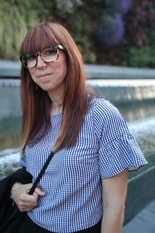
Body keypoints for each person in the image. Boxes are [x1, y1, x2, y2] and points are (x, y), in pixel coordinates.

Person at [11, 22, 147, 233]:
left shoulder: (101, 115)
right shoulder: (36, 115)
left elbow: (114, 206)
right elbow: (27, 172)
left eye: (50, 52)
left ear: (69, 56)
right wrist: (16, 190)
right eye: (31, 57)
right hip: (31, 226)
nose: (40, 63)